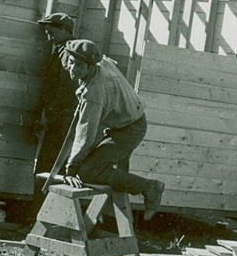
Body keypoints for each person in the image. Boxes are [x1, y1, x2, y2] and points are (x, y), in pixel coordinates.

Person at [60, 39, 165, 220]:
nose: (72, 69)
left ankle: (150, 187)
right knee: (96, 163)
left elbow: (85, 134)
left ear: (90, 65)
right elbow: (104, 60)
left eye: (78, 65)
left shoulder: (93, 93)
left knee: (87, 171)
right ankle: (104, 219)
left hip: (130, 129)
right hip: (125, 121)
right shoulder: (103, 61)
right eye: (70, 62)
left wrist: (71, 167)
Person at [32, 13, 79, 205]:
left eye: (52, 31)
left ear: (66, 30)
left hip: (62, 119)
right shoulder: (60, 49)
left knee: (49, 168)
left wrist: (50, 112)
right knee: (49, 167)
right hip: (59, 117)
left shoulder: (68, 52)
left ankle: (41, 217)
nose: (48, 35)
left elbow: (67, 88)